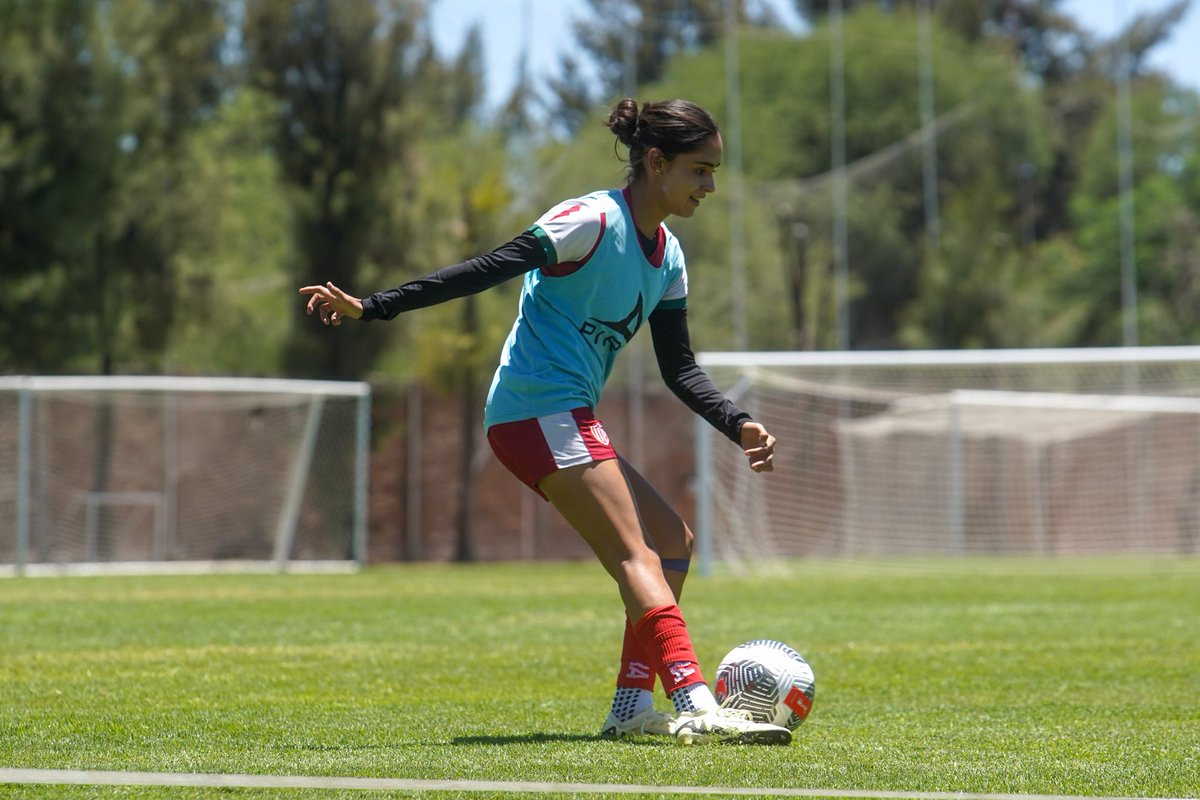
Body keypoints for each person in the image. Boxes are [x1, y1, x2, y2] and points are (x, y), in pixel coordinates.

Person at [299, 98, 788, 746]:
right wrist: (373, 307)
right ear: (656, 161)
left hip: (567, 415)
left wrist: (738, 421)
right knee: (635, 554)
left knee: (673, 542)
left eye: (714, 172)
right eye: (700, 170)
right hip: (532, 410)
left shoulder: (668, 257)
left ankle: (631, 707)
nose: (710, 186)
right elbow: (483, 269)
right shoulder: (588, 222)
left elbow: (680, 369)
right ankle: (696, 701)